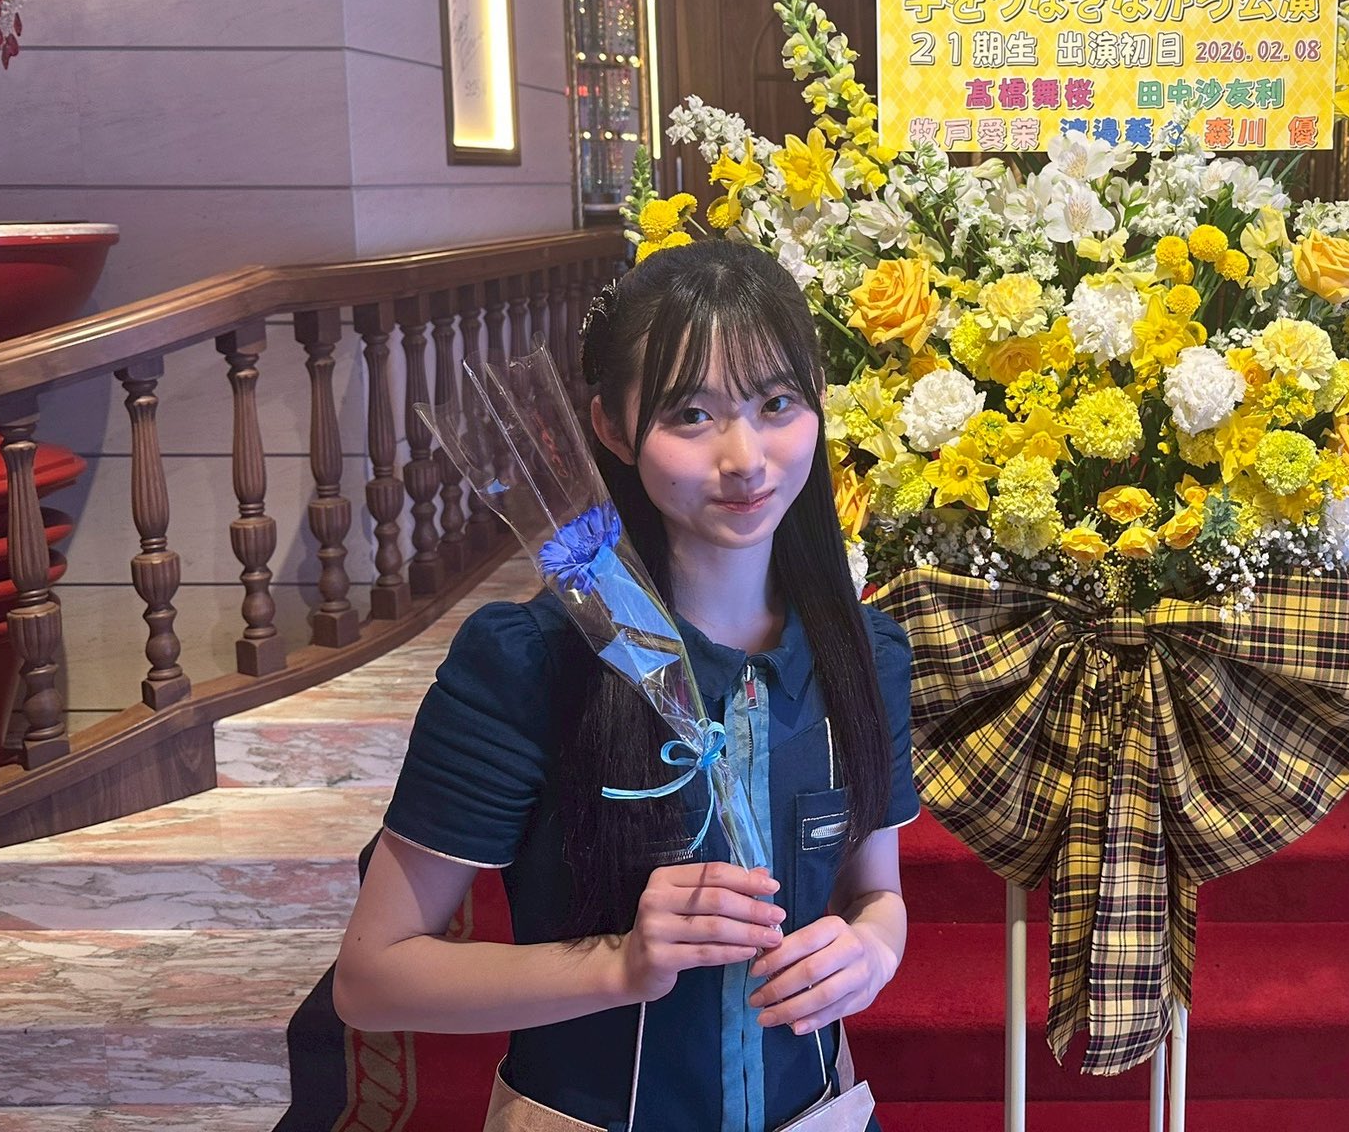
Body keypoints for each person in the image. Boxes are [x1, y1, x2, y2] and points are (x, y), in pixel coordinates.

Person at [332, 240, 918, 1131]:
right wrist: (622, 964)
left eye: (776, 404)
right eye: (692, 414)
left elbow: (875, 894)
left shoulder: (863, 654)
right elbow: (375, 979)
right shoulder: (529, 663)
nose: (745, 458)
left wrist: (872, 948)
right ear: (610, 426)